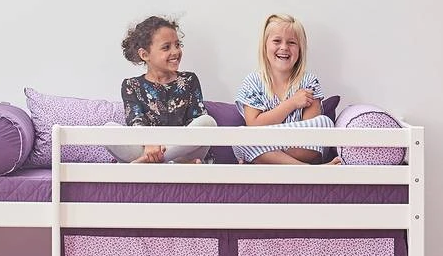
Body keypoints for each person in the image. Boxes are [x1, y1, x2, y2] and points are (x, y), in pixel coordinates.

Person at [106, 16, 216, 163]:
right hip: (147, 148)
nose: (176, 51)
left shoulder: (189, 80)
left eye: (177, 45)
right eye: (166, 47)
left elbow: (195, 119)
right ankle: (170, 165)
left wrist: (170, 147)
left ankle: (151, 164)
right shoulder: (131, 85)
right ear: (144, 54)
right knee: (108, 129)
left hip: (183, 152)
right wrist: (149, 142)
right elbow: (136, 121)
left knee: (207, 122)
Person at [233, 13, 340, 165]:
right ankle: (308, 170)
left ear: (300, 49)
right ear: (265, 46)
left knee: (324, 122)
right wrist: (292, 103)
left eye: (291, 42)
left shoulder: (309, 82)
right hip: (262, 145)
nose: (284, 47)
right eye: (277, 41)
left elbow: (311, 133)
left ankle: (272, 160)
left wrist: (269, 143)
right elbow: (254, 125)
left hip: (283, 150)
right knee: (241, 136)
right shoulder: (253, 82)